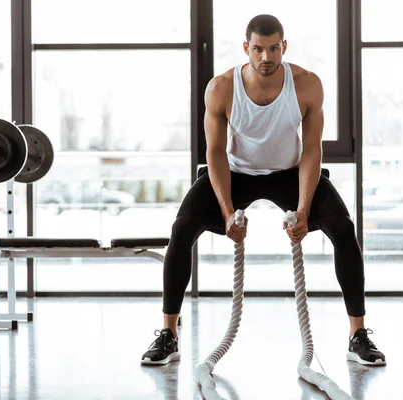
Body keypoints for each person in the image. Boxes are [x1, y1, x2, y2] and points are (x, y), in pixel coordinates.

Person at [140, 14, 386, 367]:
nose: (266, 57)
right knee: (182, 229)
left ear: (283, 47)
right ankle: (168, 334)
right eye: (258, 49)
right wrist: (227, 214)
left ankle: (357, 335)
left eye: (273, 49)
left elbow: (312, 149)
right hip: (236, 172)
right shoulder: (222, 88)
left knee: (343, 229)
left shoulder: (306, 85)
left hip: (289, 172)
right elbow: (214, 154)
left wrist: (303, 210)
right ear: (246, 48)